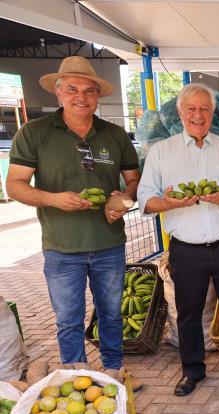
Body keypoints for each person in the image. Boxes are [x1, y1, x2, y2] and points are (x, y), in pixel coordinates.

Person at [6, 56, 142, 390]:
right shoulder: (35, 133)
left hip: (109, 244)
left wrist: (121, 200)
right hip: (61, 248)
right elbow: (14, 185)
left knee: (111, 315)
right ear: (58, 91)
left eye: (89, 90)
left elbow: (135, 182)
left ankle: (113, 372)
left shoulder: (115, 134)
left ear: (98, 95)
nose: (81, 96)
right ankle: (77, 378)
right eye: (72, 89)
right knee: (68, 320)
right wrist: (53, 199)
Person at [138, 83, 219, 396]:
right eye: (191, 109)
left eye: (204, 109)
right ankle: (192, 371)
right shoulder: (161, 152)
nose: (198, 115)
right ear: (180, 113)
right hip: (186, 248)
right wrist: (169, 203)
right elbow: (145, 199)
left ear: (212, 113)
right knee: (188, 313)